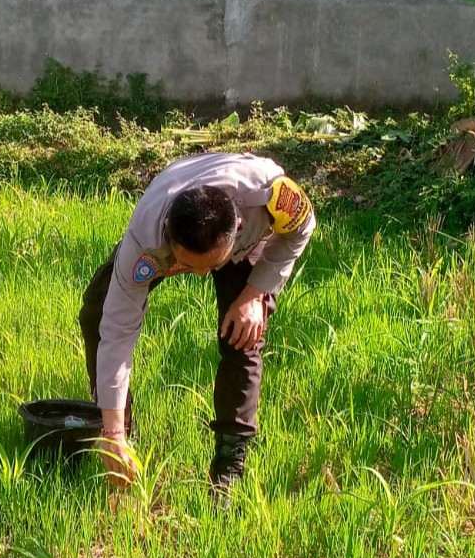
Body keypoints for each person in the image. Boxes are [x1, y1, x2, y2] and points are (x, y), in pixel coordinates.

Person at [79, 152, 315, 496]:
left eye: (209, 265)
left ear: (236, 230)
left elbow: (303, 229)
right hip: (172, 197)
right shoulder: (146, 242)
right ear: (169, 242)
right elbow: (117, 331)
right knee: (97, 314)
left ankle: (228, 468)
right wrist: (112, 432)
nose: (203, 275)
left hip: (246, 238)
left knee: (243, 335)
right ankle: (121, 436)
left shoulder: (271, 196)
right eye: (189, 265)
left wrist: (255, 292)